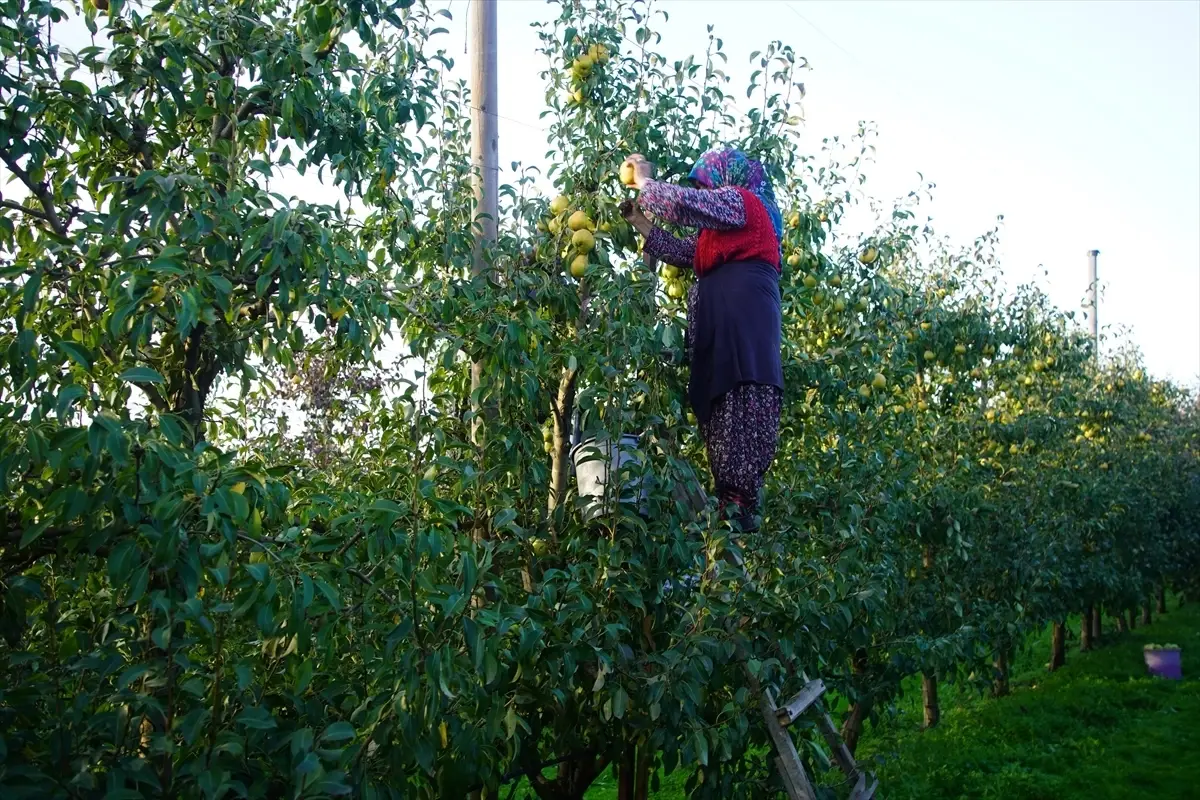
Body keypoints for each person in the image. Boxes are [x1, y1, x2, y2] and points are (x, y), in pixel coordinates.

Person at [620, 147, 784, 533]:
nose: (705, 191)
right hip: (721, 336)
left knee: (743, 405)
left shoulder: (744, 204)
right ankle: (732, 513)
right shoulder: (718, 236)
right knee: (722, 416)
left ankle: (739, 514)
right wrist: (638, 220)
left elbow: (681, 203)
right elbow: (683, 252)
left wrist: (644, 180)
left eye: (707, 184)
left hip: (743, 331)